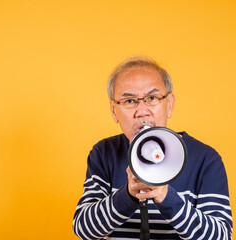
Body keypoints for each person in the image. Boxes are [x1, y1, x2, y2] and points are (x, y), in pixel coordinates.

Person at [73, 56, 233, 239]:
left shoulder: (205, 159)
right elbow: (83, 229)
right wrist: (128, 195)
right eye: (129, 101)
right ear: (113, 111)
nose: (142, 111)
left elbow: (221, 236)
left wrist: (167, 198)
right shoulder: (104, 153)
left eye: (152, 98)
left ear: (170, 104)